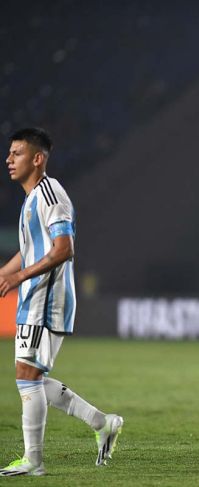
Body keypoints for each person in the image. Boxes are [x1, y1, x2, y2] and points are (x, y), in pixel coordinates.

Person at [0, 128, 123, 477]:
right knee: (30, 376)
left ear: (37, 159)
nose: (9, 159)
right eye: (9, 153)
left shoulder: (52, 195)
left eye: (17, 153)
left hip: (47, 298)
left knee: (28, 375)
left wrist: (18, 278)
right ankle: (102, 422)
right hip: (33, 297)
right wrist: (5, 273)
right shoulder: (31, 199)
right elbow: (29, 251)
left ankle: (33, 461)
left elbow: (63, 249)